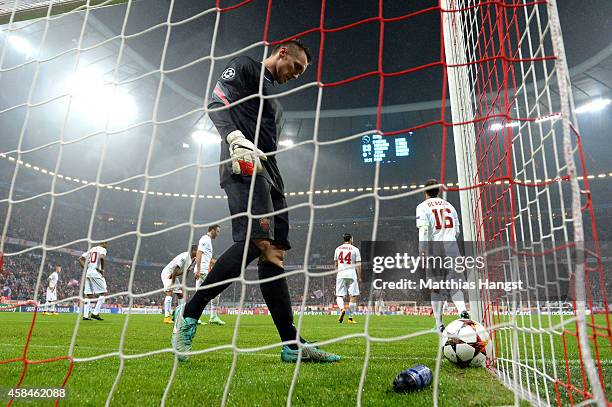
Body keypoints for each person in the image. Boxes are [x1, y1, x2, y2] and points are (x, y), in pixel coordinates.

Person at [172, 40, 340, 363]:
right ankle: (190, 312)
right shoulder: (247, 67)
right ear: (282, 53)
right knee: (258, 240)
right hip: (245, 165)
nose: (296, 75)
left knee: (273, 253)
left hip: (271, 174)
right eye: (296, 67)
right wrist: (234, 139)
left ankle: (291, 344)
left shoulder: (274, 105)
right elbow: (216, 102)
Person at [416, 179, 469, 332]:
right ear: (438, 191)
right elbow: (458, 231)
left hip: (435, 248)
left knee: (435, 287)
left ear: (425, 192)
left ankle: (439, 324)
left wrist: (422, 250)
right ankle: (462, 311)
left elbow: (424, 230)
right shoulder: (450, 206)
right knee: (455, 284)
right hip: (452, 247)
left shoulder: (422, 207)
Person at [195, 225, 225, 325]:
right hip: (203, 271)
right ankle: (212, 316)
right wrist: (198, 269)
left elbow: (209, 259)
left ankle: (197, 317)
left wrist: (219, 263)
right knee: (215, 291)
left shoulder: (208, 241)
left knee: (200, 294)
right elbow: (199, 253)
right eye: (217, 231)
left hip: (205, 270)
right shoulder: (205, 239)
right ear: (211, 230)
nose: (218, 233)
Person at [161, 245, 198, 324]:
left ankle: (179, 315)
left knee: (180, 294)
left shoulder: (193, 260)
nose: (199, 253)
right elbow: (175, 271)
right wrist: (172, 284)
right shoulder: (184, 257)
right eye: (197, 251)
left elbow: (186, 272)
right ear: (193, 251)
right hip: (168, 273)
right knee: (169, 292)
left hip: (175, 275)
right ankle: (167, 317)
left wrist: (183, 285)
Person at [334, 233, 361, 324]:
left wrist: (337, 273)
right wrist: (360, 276)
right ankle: (350, 318)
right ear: (351, 239)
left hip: (341, 274)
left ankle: (342, 309)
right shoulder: (355, 249)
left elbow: (336, 264)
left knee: (339, 295)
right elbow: (358, 265)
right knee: (353, 296)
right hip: (352, 274)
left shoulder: (338, 249)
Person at [79, 242, 108, 321]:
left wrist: (85, 268)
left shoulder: (92, 249)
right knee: (104, 293)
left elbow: (80, 258)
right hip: (96, 273)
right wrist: (102, 269)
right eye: (107, 244)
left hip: (88, 273)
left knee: (88, 295)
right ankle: (95, 313)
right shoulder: (102, 249)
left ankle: (85, 316)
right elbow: (102, 258)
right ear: (104, 243)